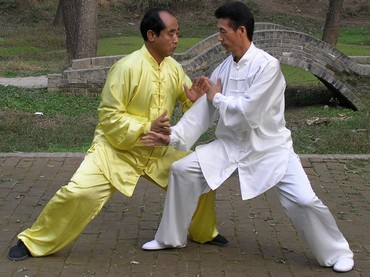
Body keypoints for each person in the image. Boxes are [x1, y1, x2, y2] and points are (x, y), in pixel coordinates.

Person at [141, 2, 354, 273]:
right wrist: (172, 136)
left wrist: (216, 97)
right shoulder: (223, 69)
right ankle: (169, 237)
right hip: (230, 147)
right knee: (182, 170)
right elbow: (204, 112)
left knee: (303, 200)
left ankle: (337, 252)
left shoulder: (268, 67)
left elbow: (249, 113)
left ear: (241, 30)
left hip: (270, 149)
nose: (219, 38)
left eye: (222, 31)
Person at [7, 8, 228, 261]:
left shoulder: (174, 69)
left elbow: (188, 102)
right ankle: (32, 241)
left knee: (200, 172)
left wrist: (193, 101)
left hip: (155, 150)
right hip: (115, 150)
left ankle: (203, 232)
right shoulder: (126, 68)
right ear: (151, 35)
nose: (177, 39)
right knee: (79, 193)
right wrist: (146, 127)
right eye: (171, 33)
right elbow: (109, 117)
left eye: (178, 33)